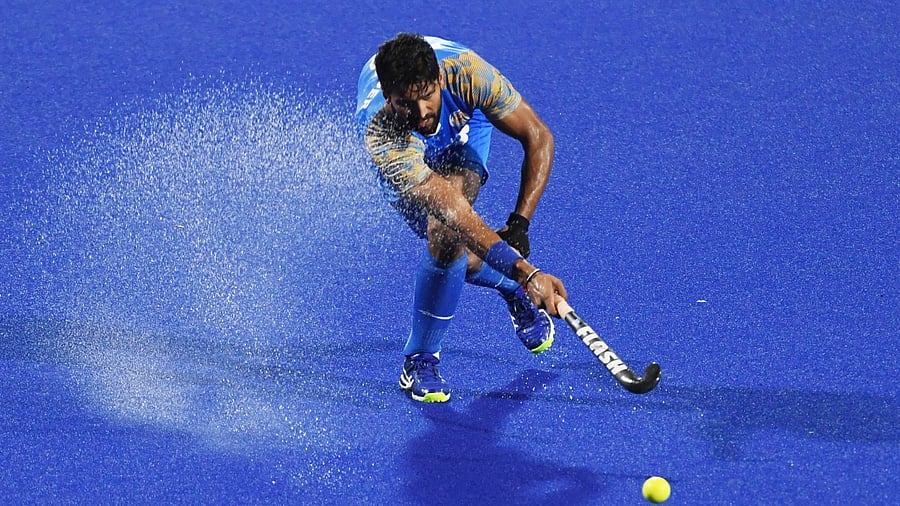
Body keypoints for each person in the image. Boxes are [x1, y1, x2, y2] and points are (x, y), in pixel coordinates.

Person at [355, 33, 568, 403]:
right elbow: (452, 211)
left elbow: (539, 136)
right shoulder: (382, 134)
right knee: (450, 236)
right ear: (389, 99)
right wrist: (525, 273)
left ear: (439, 80)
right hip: (409, 158)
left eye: (426, 96)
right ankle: (509, 287)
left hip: (462, 132)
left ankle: (419, 356)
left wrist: (519, 225)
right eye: (407, 103)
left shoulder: (467, 74)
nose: (421, 112)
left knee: (446, 238)